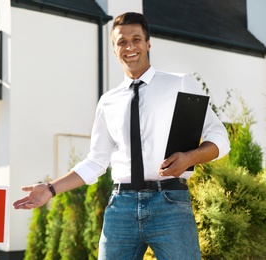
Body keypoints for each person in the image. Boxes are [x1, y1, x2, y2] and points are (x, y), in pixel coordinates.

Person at [13, 12, 230, 260]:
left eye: (136, 39)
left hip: (170, 203)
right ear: (114, 51)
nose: (129, 47)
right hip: (121, 208)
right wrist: (51, 189)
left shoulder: (179, 84)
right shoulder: (108, 102)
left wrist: (189, 158)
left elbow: (220, 138)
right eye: (121, 42)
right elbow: (96, 161)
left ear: (148, 44)